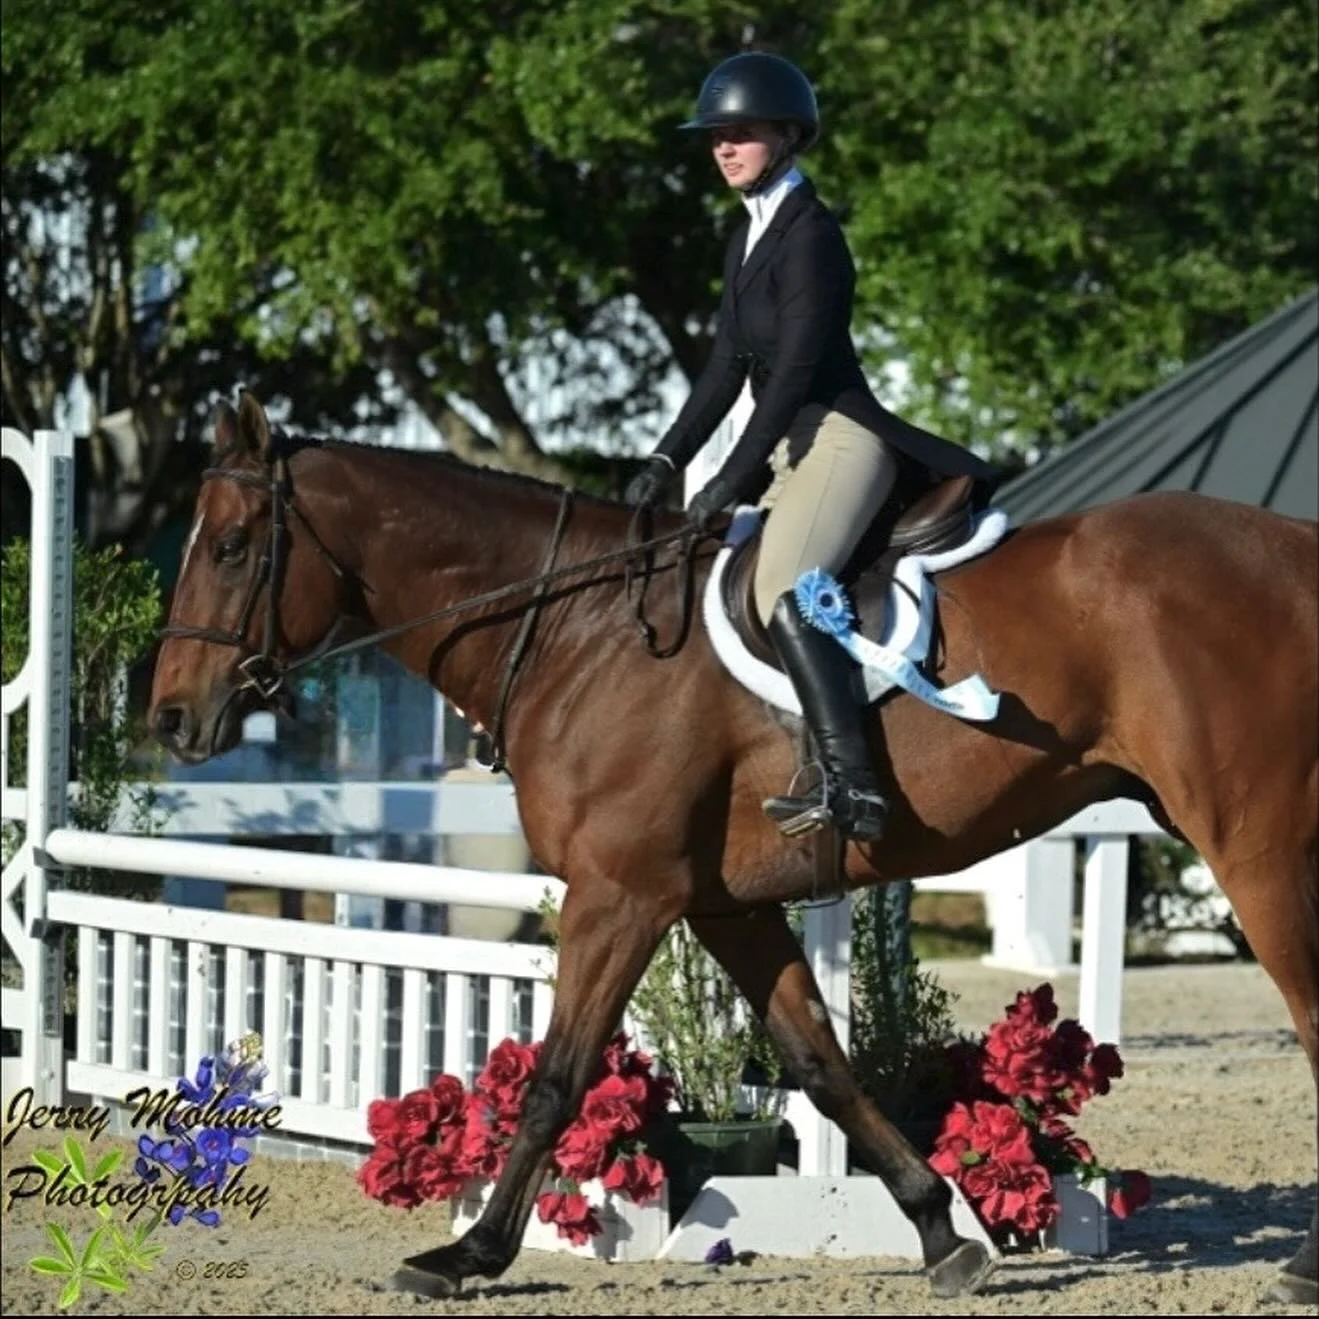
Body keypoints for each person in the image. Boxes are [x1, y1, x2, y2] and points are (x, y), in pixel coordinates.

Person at [625, 51, 1000, 843]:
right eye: (715, 136)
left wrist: (730, 479)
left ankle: (853, 785)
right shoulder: (747, 237)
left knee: (785, 590)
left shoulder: (811, 238)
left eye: (740, 133)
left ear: (789, 135)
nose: (723, 147)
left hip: (839, 438)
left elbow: (793, 376)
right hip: (786, 446)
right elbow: (725, 367)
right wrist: (664, 460)